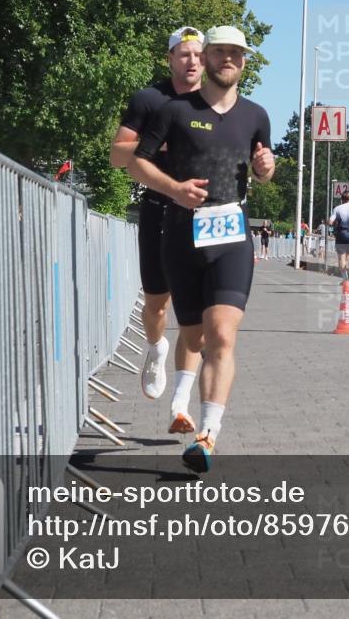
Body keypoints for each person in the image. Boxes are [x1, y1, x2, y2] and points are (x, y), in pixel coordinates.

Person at [129, 25, 274, 472]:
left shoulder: (256, 115)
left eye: (237, 53)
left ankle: (207, 437)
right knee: (193, 337)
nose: (227, 59)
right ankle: (181, 397)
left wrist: (266, 168)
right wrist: (173, 189)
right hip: (181, 235)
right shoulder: (173, 110)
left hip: (231, 236)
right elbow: (136, 162)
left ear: (243, 62)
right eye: (220, 52)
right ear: (206, 57)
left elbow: (260, 169)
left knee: (222, 337)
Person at [111, 26, 206, 414]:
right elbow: (118, 156)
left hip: (202, 216)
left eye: (199, 54)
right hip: (158, 209)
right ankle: (156, 348)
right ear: (169, 59)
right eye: (184, 54)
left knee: (194, 312)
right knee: (157, 305)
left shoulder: (214, 103)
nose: (192, 61)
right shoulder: (149, 100)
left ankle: (182, 398)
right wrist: (160, 143)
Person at [328, 191, 349, 281]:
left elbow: (330, 222)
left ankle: (345, 279)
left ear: (342, 199)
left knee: (341, 258)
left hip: (341, 234)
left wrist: (334, 225)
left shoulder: (337, 209)